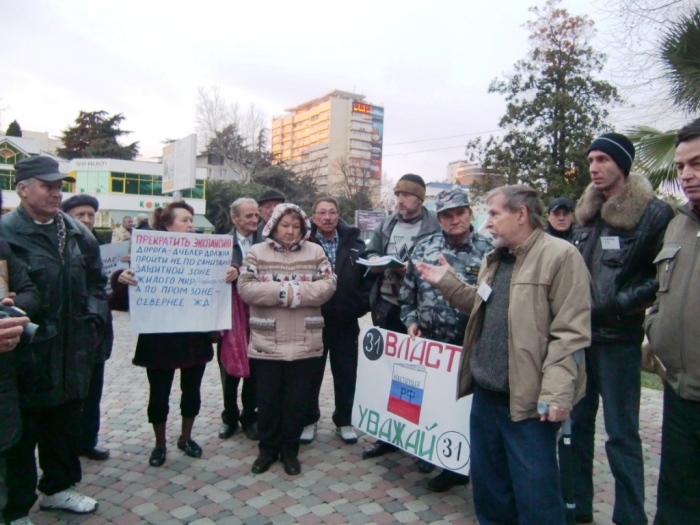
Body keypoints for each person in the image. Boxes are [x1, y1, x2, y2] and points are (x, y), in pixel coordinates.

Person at [417, 185, 591, 525]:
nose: (488, 222)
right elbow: (482, 305)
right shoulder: (495, 258)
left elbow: (570, 332)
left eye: (495, 214)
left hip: (528, 403)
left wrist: (557, 393)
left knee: (536, 497)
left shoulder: (561, 256)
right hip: (486, 396)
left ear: (521, 214)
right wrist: (448, 283)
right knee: (491, 492)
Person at [571, 132, 674, 525]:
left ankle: (630, 516)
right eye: (591, 160)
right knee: (576, 428)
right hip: (579, 337)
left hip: (618, 341)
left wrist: (617, 303)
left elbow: (661, 277)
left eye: (603, 159)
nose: (594, 167)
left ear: (623, 164)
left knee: (622, 435)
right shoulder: (586, 213)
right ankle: (576, 508)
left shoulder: (654, 213)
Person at [0, 156, 109, 521]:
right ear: (22, 189)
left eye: (58, 186)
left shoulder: (77, 232)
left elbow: (96, 281)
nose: (55, 193)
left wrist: (92, 319)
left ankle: (59, 488)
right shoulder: (6, 233)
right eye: (46, 186)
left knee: (64, 424)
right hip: (25, 351)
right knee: (20, 433)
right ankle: (16, 508)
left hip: (72, 348)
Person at [399, 188, 492, 492]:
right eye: (447, 215)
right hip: (431, 345)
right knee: (430, 404)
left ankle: (459, 465)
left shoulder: (490, 251)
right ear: (438, 219)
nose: (454, 220)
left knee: (464, 409)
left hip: (469, 346)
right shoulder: (423, 247)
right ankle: (430, 451)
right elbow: (408, 296)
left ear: (470, 213)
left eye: (460, 213)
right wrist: (411, 321)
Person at [238, 203, 336, 476]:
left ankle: (290, 451)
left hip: (304, 339)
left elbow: (329, 284)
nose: (290, 231)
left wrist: (297, 292)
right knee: (267, 399)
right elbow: (245, 287)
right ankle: (267, 450)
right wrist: (283, 292)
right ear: (273, 226)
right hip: (268, 340)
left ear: (303, 228)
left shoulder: (315, 252)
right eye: (285, 225)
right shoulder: (257, 252)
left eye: (295, 226)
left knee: (296, 400)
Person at [115, 202, 214, 467]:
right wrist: (122, 278)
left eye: (191, 220)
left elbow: (218, 284)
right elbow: (120, 300)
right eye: (184, 220)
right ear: (168, 225)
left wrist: (230, 272)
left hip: (193, 336)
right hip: (159, 339)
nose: (191, 225)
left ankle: (186, 437)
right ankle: (159, 444)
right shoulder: (147, 253)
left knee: (191, 391)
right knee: (158, 394)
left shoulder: (205, 253)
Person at [645, 118, 700, 525]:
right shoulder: (677, 224)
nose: (686, 175)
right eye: (680, 166)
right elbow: (660, 292)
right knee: (676, 507)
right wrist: (654, 325)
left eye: (697, 164)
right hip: (679, 392)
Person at [362, 173, 439, 464]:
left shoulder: (434, 226)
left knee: (417, 376)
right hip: (386, 306)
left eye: (405, 195)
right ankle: (388, 435)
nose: (400, 201)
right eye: (398, 195)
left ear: (419, 198)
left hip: (417, 311)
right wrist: (374, 261)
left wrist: (414, 269)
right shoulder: (388, 223)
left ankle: (421, 440)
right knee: (387, 373)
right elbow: (371, 249)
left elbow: (441, 261)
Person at [302, 197, 373, 445]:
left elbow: (368, 278)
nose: (327, 217)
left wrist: (360, 304)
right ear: (313, 216)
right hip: (313, 320)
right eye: (322, 213)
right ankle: (308, 420)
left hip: (345, 321)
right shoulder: (304, 242)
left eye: (332, 212)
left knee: (346, 373)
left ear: (338, 215)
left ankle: (344, 421)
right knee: (310, 374)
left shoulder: (355, 243)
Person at [61, 194, 114, 461]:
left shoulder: (98, 246)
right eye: (79, 215)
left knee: (93, 391)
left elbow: (106, 289)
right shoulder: (61, 245)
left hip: (96, 328)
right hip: (70, 330)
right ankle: (67, 445)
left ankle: (88, 440)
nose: (86, 219)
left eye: (90, 215)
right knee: (70, 395)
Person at [217, 197, 261, 441]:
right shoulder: (220, 244)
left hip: (257, 313)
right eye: (249, 216)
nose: (255, 220)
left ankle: (250, 417)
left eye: (256, 215)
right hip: (229, 316)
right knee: (229, 369)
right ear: (234, 218)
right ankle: (230, 417)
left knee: (255, 369)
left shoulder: (266, 243)